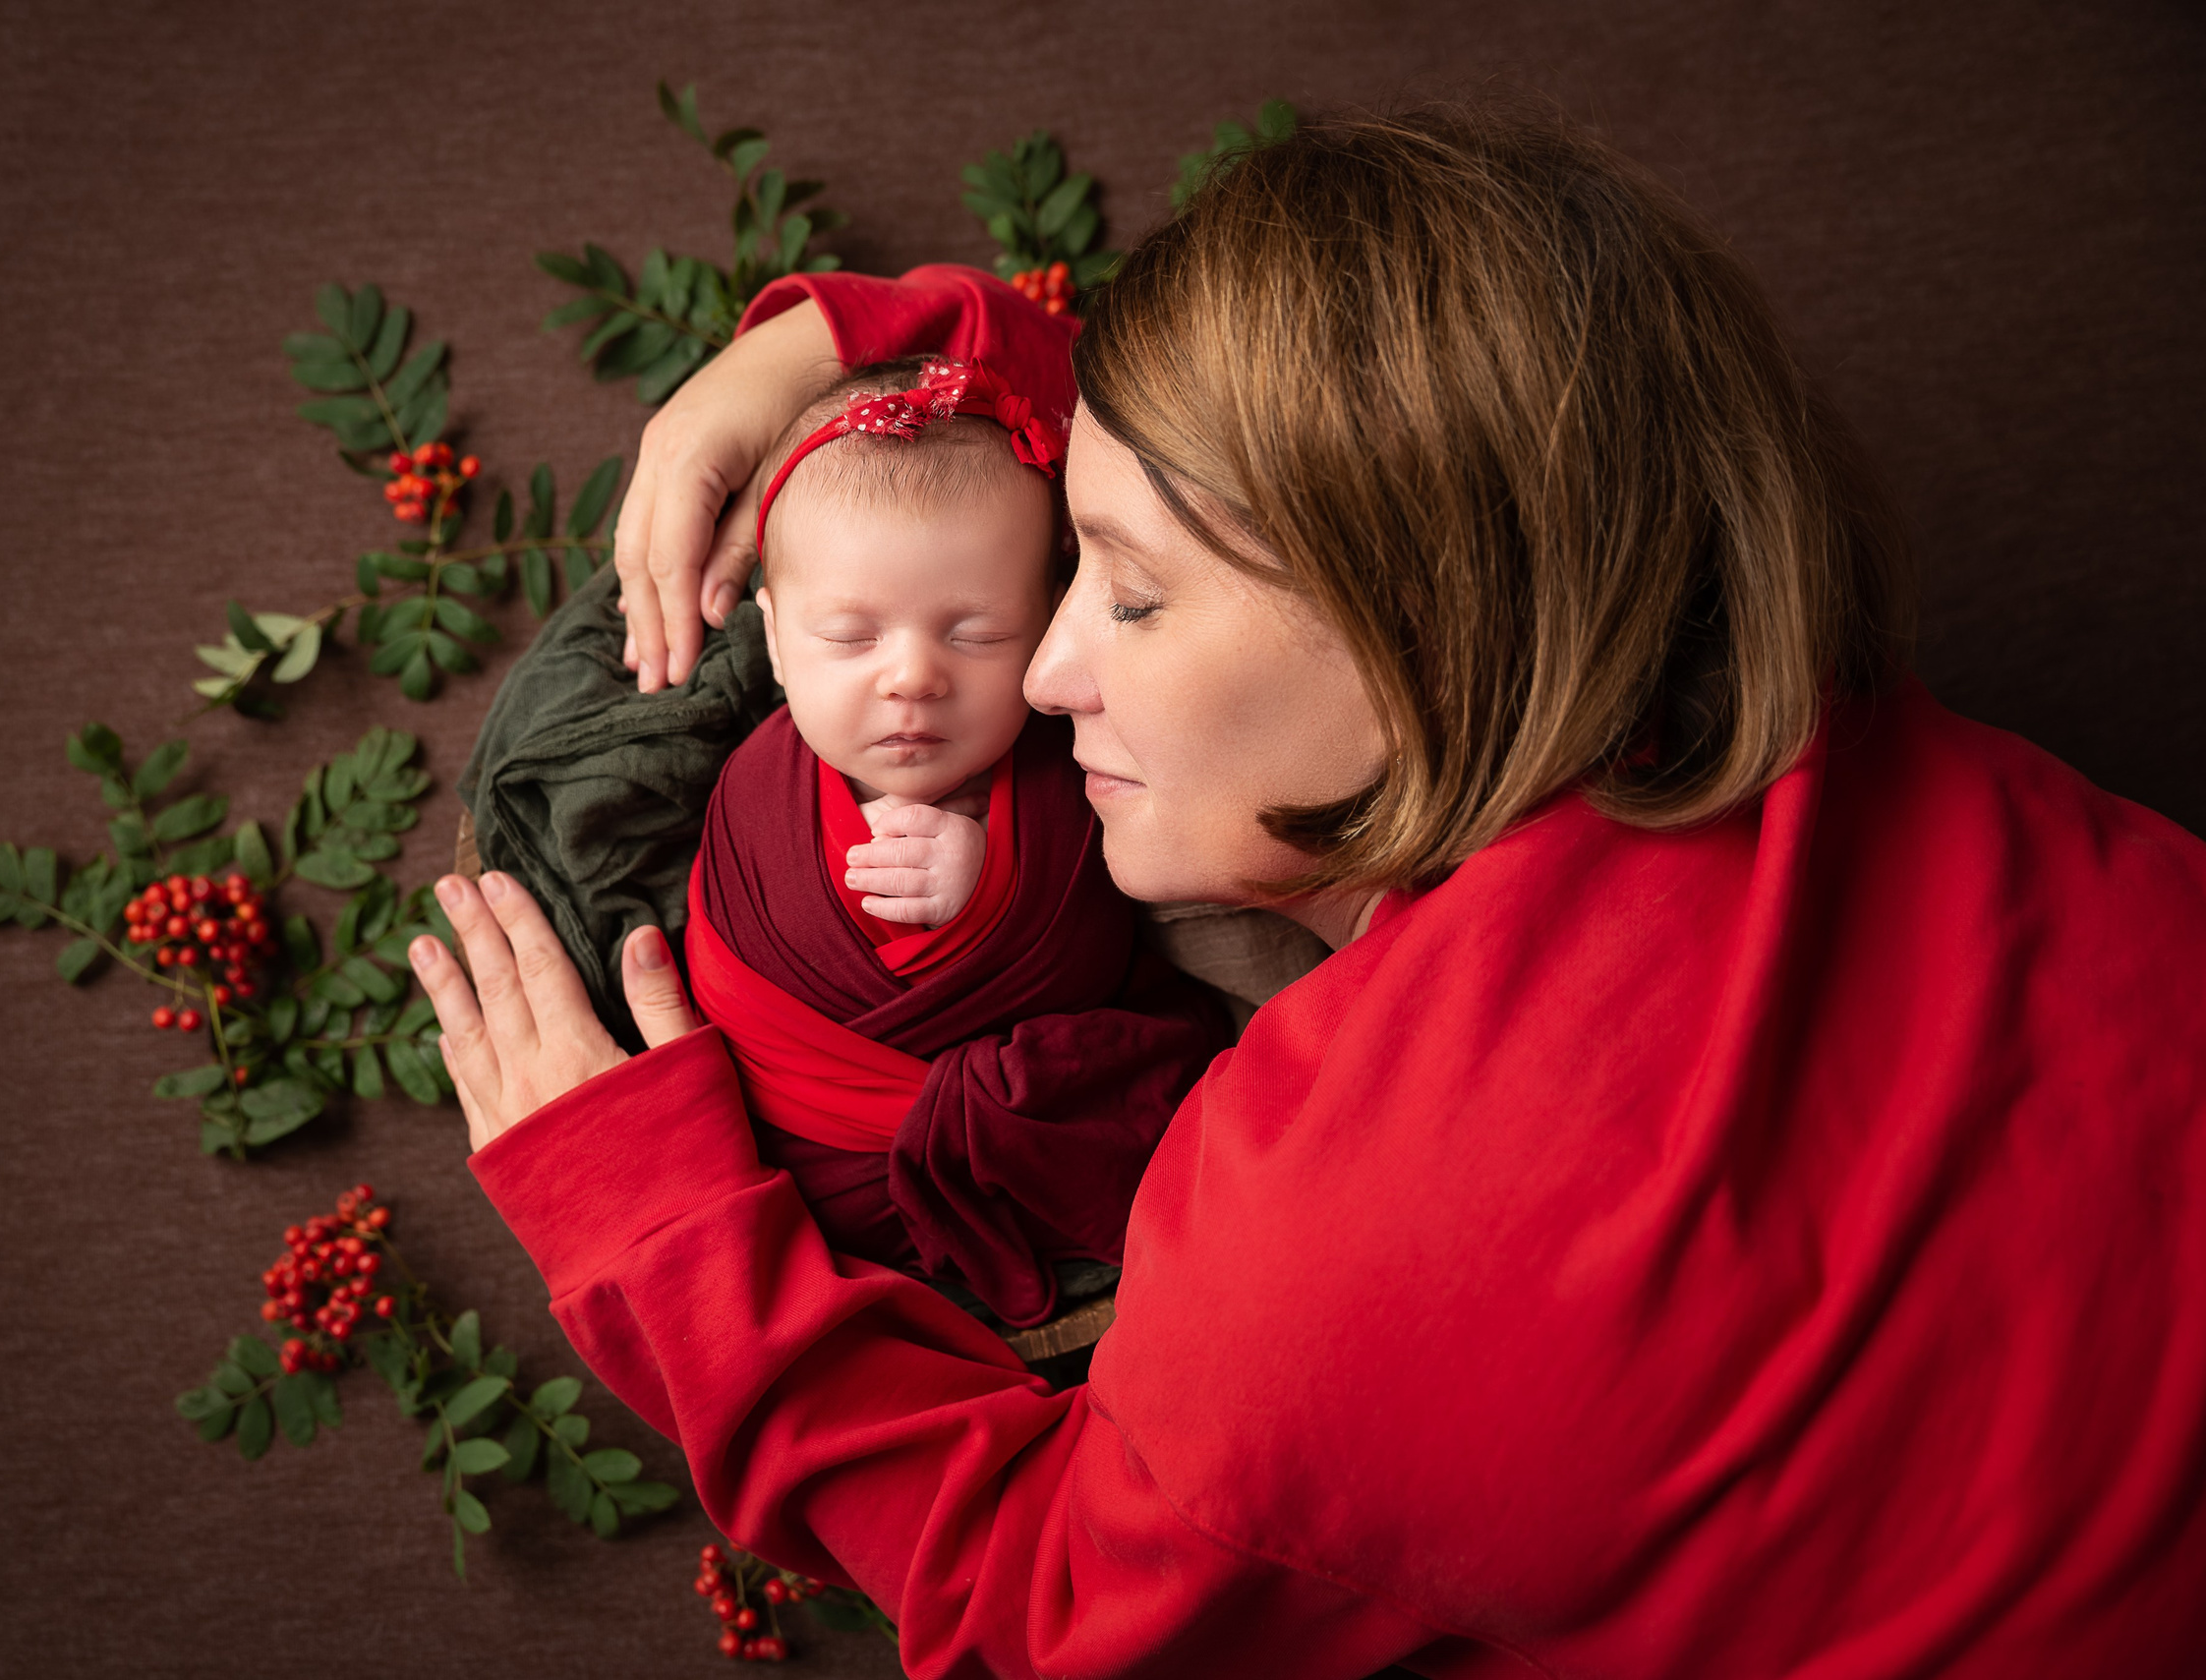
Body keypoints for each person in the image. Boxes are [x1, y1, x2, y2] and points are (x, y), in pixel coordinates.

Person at [408, 107, 2206, 1675]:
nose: (1041, 677)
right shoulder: (1820, 710)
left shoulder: (1344, 1242)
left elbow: (1039, 1596)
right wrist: (812, 358)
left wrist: (652, 1221)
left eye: (1123, 590)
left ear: (1420, 618)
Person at [686, 354, 1225, 1328]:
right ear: (771, 642)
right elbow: (719, 973)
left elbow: (1104, 949)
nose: (912, 678)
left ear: (1051, 624)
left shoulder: (1071, 778)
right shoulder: (746, 793)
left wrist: (998, 890)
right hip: (809, 1175)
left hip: (1012, 1156)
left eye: (974, 632)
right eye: (850, 637)